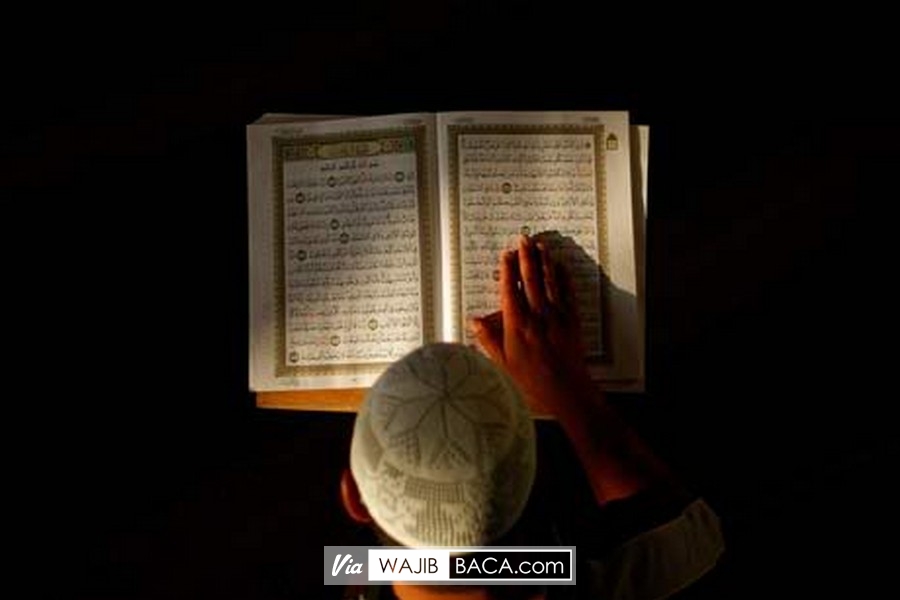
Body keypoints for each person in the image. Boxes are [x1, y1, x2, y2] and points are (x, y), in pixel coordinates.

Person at [339, 235, 724, 599]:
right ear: (538, 475)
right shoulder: (668, 570)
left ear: (354, 496)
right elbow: (682, 538)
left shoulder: (351, 569)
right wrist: (569, 390)